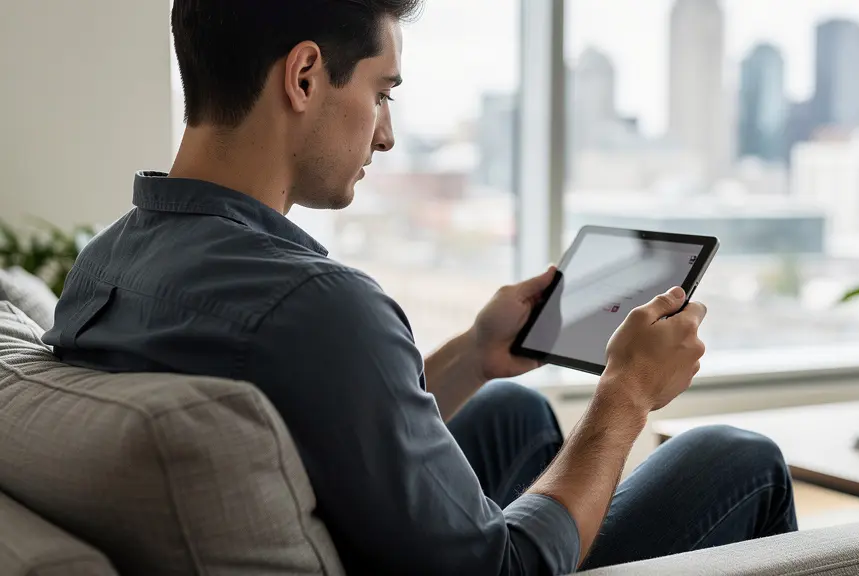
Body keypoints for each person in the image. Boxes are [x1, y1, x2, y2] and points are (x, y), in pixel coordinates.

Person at [44, 1, 797, 574]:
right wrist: (626, 395)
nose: (386, 134)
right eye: (382, 92)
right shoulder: (319, 305)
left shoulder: (105, 264)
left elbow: (303, 428)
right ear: (304, 76)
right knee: (739, 457)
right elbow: (505, 566)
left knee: (510, 406)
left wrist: (474, 353)